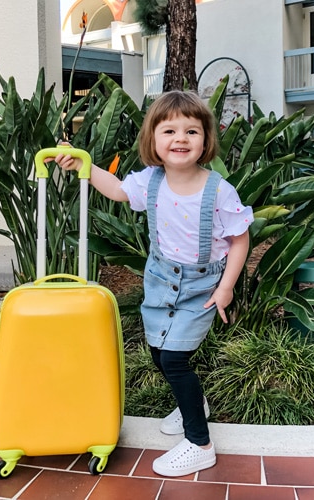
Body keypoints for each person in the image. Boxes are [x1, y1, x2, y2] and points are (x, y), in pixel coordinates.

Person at [52, 90, 253, 477]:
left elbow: (239, 239)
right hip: (161, 279)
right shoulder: (150, 182)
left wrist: (225, 286)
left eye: (192, 131)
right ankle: (195, 405)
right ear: (154, 141)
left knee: (176, 359)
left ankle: (200, 443)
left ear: (206, 140)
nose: (181, 138)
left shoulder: (219, 191)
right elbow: (116, 189)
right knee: (161, 353)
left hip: (200, 286)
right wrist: (84, 165)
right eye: (170, 130)